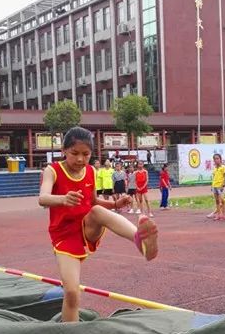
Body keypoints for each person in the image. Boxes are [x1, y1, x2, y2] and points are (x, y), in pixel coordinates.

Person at [38, 126, 159, 323]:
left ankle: (140, 241)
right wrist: (62, 199)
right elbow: (42, 199)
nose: (80, 159)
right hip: (64, 236)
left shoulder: (91, 171)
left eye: (86, 155)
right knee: (71, 293)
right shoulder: (52, 170)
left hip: (88, 227)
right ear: (64, 151)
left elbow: (93, 201)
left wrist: (115, 204)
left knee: (97, 211)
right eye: (74, 153)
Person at [209, 153, 225, 220]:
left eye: (217, 158)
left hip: (220, 186)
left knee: (222, 201)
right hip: (214, 186)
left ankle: (224, 215)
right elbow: (214, 177)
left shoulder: (223, 167)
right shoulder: (214, 169)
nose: (216, 160)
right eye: (214, 159)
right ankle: (218, 215)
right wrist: (212, 186)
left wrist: (223, 185)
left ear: (220, 159)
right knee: (217, 201)